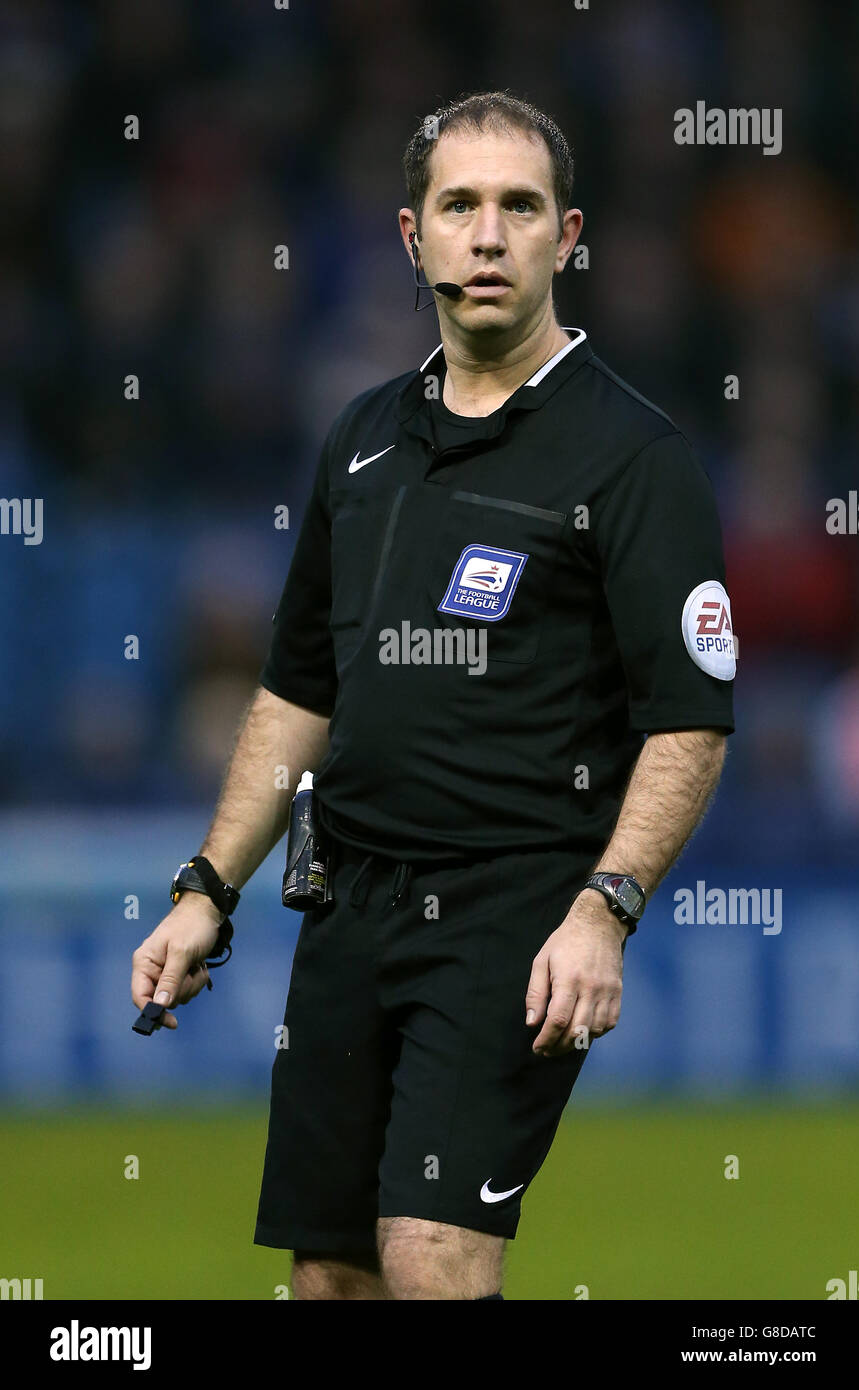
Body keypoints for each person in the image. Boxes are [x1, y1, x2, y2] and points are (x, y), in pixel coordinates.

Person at [131, 91, 736, 1300]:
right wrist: (207, 886)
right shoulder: (358, 441)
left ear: (568, 237)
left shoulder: (633, 457)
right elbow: (298, 690)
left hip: (511, 913)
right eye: (458, 205)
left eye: (519, 207)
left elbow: (689, 715)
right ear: (411, 237)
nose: (487, 234)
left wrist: (604, 907)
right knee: (331, 1276)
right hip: (345, 905)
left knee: (434, 1261)